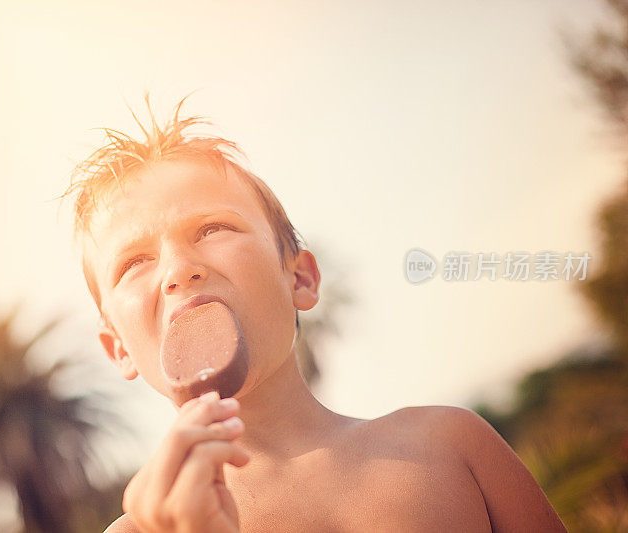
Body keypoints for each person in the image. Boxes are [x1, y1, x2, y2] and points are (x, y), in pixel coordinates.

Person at [61, 94, 567, 532]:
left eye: (213, 229)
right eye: (134, 263)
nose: (179, 269)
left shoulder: (450, 443)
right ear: (119, 348)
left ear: (300, 278)